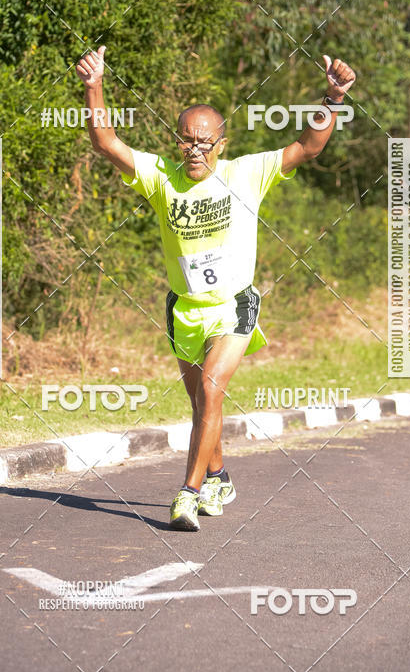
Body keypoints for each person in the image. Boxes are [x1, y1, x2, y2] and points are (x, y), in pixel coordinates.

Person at [76, 47, 356, 530]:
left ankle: (189, 493)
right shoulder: (160, 175)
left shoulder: (245, 173)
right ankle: (220, 474)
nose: (196, 151)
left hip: (234, 306)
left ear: (221, 145)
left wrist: (332, 98)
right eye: (187, 141)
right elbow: (106, 142)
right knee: (203, 403)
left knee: (211, 388)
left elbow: (308, 147)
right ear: (176, 142)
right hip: (184, 308)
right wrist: (94, 85)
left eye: (205, 143)